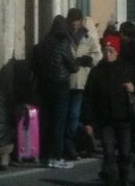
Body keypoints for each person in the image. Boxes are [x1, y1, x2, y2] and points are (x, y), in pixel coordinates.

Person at [81, 35, 135, 185]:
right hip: (105, 119)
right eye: (105, 51)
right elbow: (88, 97)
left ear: (117, 52)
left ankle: (124, 176)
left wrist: (134, 89)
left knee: (125, 153)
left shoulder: (127, 68)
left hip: (125, 118)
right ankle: (111, 179)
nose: (108, 54)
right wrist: (88, 122)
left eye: (111, 51)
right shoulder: (97, 71)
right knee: (108, 152)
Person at [32, 14, 77, 169]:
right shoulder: (63, 43)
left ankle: (44, 154)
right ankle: (56, 156)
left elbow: (34, 65)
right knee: (59, 123)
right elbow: (72, 66)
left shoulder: (42, 44)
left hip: (44, 86)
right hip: (60, 86)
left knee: (46, 121)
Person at [65, 8, 101, 161]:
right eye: (72, 22)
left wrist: (89, 60)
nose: (74, 25)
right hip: (66, 81)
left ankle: (72, 143)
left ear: (80, 22)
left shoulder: (87, 36)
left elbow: (97, 54)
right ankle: (70, 143)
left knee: (75, 115)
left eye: (77, 22)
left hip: (81, 81)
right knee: (71, 115)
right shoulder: (64, 36)